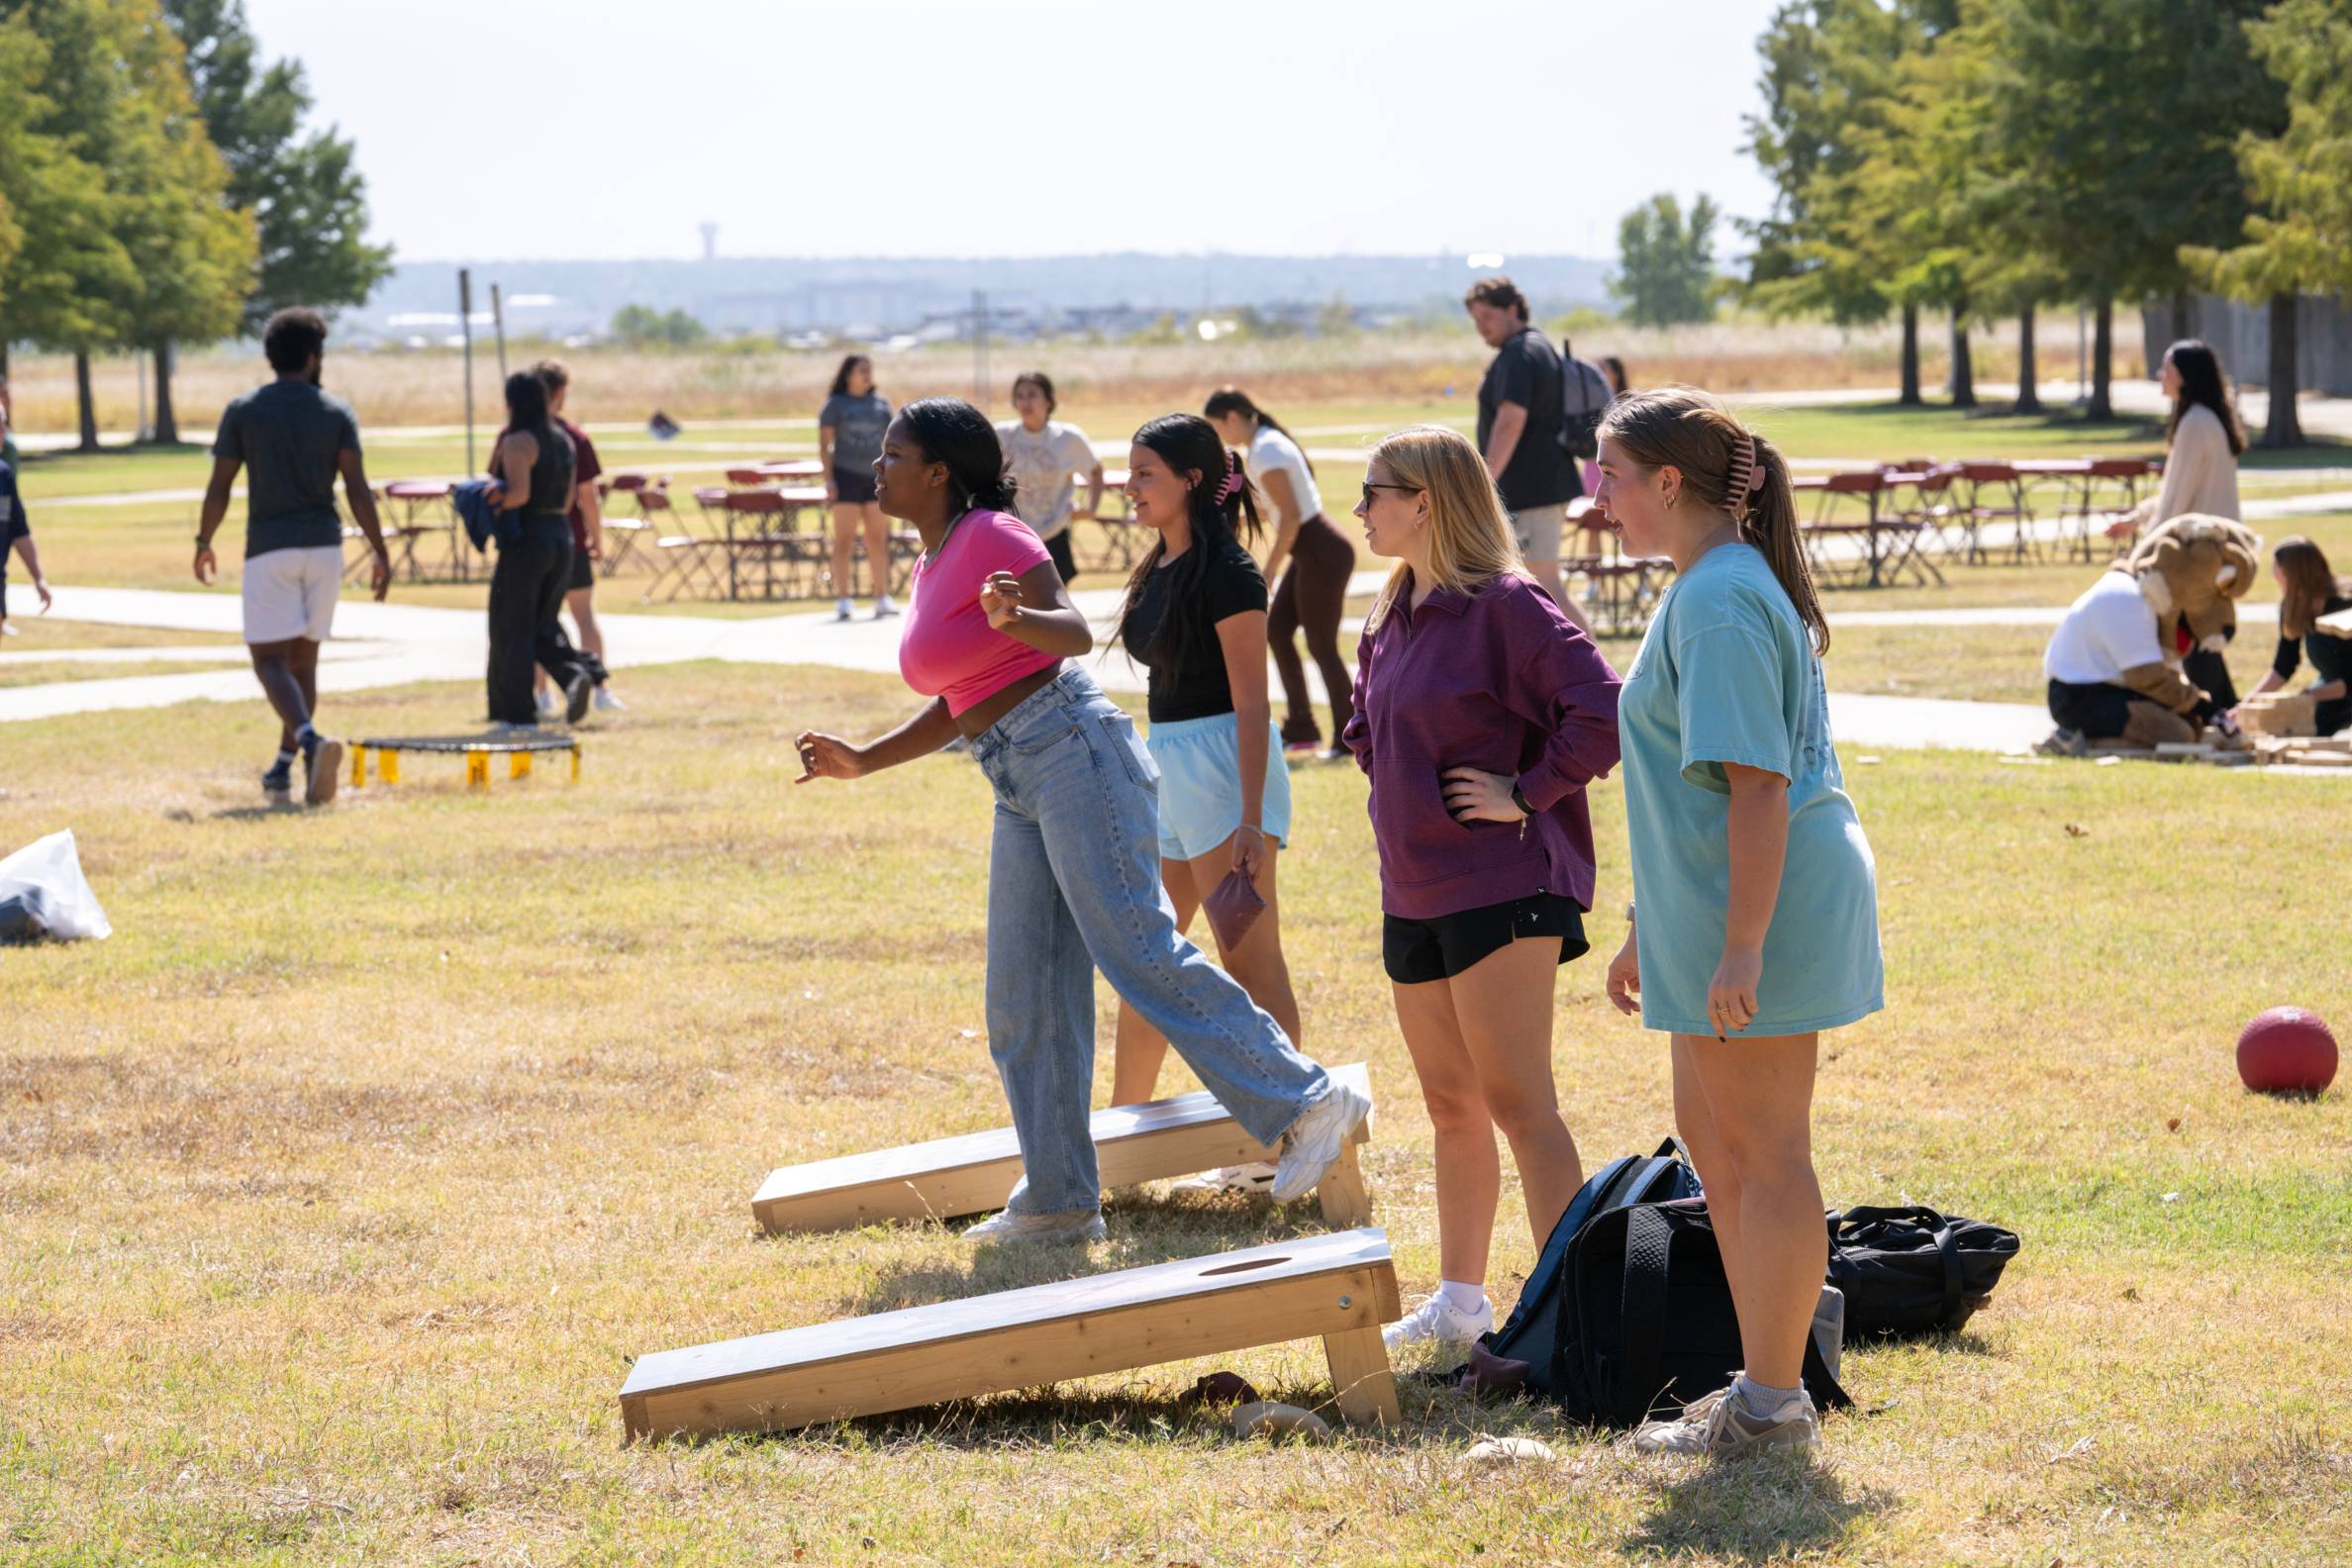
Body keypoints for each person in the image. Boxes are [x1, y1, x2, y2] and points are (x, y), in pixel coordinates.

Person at [793, 398, 1369, 1245]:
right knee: (1021, 995)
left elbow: (1064, 629)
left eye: (892, 454)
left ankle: (1306, 1098)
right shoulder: (934, 560)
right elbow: (968, 697)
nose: (876, 469)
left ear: (939, 471)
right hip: (1015, 774)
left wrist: (1015, 618)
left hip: (1073, 750)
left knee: (1134, 947)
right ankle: (1059, 1199)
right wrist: (866, 760)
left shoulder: (994, 535)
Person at [1594, 386, 1883, 1460]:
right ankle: (1765, 1384)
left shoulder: (1717, 600)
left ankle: (1771, 1404)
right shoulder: (1703, 587)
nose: (1599, 499)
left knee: (1765, 1156)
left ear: (1671, 483)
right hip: (1711, 911)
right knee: (1721, 1153)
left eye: (1611, 476)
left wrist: (1742, 945)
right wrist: (1646, 922)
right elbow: (1695, 789)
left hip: (1761, 911)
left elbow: (1760, 789)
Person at [1342, 425, 1621, 1351]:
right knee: (1451, 1108)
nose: (1360, 508)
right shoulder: (1390, 609)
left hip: (1504, 886)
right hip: (1413, 889)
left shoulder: (1506, 604)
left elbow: (1605, 710)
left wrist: (1526, 793)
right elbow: (1363, 726)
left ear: (1425, 502)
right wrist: (1398, 779)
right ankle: (1462, 1306)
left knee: (1519, 1106)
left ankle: (1572, 1322)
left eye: (1374, 491)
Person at [1106, 415, 1300, 1199]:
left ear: (1190, 479)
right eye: (1131, 471)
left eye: (1145, 472)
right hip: (1172, 773)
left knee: (1248, 959)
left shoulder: (1231, 572)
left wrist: (1251, 819)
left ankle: (1281, 1139)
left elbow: (1253, 704)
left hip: (1226, 777)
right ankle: (1118, 1144)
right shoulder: (1159, 566)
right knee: (1147, 960)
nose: (1131, 486)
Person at [196, 307, 391, 806]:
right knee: (305, 661)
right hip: (324, 546)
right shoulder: (335, 411)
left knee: (268, 660)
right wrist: (380, 548)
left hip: (270, 546)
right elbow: (357, 488)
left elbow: (221, 485)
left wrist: (204, 541)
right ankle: (284, 767)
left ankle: (307, 741)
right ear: (312, 356)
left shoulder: (244, 410)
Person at [1206, 387, 1356, 759]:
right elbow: (1268, 509)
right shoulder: (1263, 446)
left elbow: (1289, 516)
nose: (1221, 437)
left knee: (1322, 646)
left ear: (1233, 418)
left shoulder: (1267, 450)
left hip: (1321, 550)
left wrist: (1269, 571)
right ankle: (1302, 727)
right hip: (1310, 551)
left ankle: (1349, 737)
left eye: (1218, 428)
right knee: (1279, 630)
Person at [2108, 339, 2249, 708]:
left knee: (2192, 641)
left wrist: (2141, 556)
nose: (2160, 375)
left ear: (2185, 376)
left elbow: (2176, 502)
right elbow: (2179, 491)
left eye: (2166, 368)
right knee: (2200, 641)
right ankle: (2227, 714)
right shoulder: (2211, 419)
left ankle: (2221, 715)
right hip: (2215, 549)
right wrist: (2136, 518)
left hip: (2195, 555)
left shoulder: (2194, 425)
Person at [1464, 275, 1590, 632]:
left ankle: (1598, 675)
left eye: (1487, 317)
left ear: (1512, 310)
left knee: (1543, 583)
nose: (1481, 328)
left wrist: (1484, 479)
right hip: (1539, 485)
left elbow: (1510, 421)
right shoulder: (1535, 347)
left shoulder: (1520, 354)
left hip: (1534, 488)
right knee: (1537, 583)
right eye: (1476, 320)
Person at [483, 371, 595, 731]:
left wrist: (491, 499)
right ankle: (574, 673)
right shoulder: (563, 439)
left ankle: (516, 714)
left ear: (512, 402)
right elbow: (568, 497)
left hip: (527, 539)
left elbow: (520, 493)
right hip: (561, 536)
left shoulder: (518, 441)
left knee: (509, 625)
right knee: (542, 621)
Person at [530, 359, 623, 716]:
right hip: (569, 542)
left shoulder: (516, 436)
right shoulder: (574, 436)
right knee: (584, 616)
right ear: (559, 392)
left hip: (533, 544)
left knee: (537, 623)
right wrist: (596, 539)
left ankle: (540, 695)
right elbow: (588, 496)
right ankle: (599, 689)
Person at [2234, 537, 2352, 736]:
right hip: (2331, 686)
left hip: (2342, 687)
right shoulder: (2292, 606)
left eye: (2279, 573)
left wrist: (2309, 695)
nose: (2275, 577)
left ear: (2296, 576)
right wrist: (2247, 704)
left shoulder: (2345, 603)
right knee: (2300, 725)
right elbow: (2284, 665)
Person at [996, 370, 1103, 588]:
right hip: (1012, 534)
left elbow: (1095, 470)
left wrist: (1091, 508)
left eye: (1032, 394)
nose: (1025, 401)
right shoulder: (1002, 435)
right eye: (1020, 395)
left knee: (1053, 606)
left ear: (1048, 400)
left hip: (1052, 531)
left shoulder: (1067, 438)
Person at [820, 355, 895, 622]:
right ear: (848, 374)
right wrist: (829, 480)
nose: (867, 375)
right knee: (844, 539)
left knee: (877, 538)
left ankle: (881, 597)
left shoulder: (881, 404)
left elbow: (892, 444)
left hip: (874, 478)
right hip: (845, 477)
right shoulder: (835, 405)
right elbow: (825, 446)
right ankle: (843, 599)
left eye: (869, 370)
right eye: (861, 370)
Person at [1, 451, 52, 636]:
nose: (3, 433)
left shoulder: (4, 475)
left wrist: (39, 578)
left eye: (3, 427)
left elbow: (19, 532)